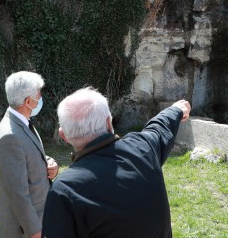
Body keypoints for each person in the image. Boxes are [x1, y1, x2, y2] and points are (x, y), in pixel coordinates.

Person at [41, 86, 191, 237]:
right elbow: (159, 128)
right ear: (109, 122)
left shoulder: (65, 189)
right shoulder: (142, 147)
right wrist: (176, 109)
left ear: (63, 136)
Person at [0, 71, 59, 238]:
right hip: (24, 230)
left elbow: (28, 155)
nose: (40, 98)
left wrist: (49, 164)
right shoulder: (10, 136)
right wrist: (35, 230)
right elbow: (17, 192)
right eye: (39, 94)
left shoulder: (22, 122)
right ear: (28, 101)